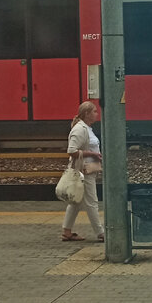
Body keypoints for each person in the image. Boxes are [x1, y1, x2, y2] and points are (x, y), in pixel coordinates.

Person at [61, 101, 105, 241]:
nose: (97, 114)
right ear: (87, 114)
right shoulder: (80, 129)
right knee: (92, 202)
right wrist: (92, 154)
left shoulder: (87, 128)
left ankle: (67, 232)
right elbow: (71, 150)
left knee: (76, 202)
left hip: (89, 169)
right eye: (94, 111)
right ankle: (101, 233)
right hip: (83, 170)